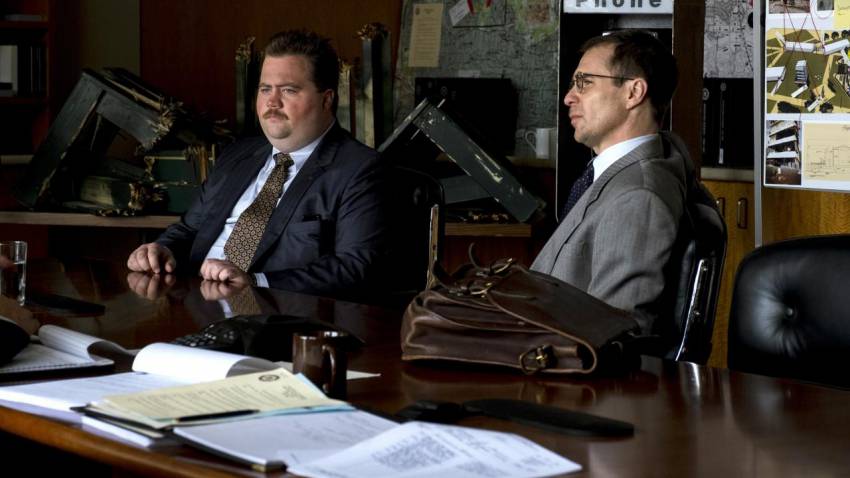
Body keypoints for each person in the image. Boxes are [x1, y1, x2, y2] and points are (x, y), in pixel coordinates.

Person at [127, 30, 388, 300]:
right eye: (265, 89)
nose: (272, 102)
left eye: (288, 90)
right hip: (193, 303)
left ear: (326, 99)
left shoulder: (360, 170)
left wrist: (255, 281)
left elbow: (355, 267)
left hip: (272, 313)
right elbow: (189, 229)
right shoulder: (238, 154)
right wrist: (161, 249)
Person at [531, 29, 699, 334]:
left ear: (633, 93)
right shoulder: (623, 174)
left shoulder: (639, 197)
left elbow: (614, 329)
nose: (569, 97)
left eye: (585, 82)